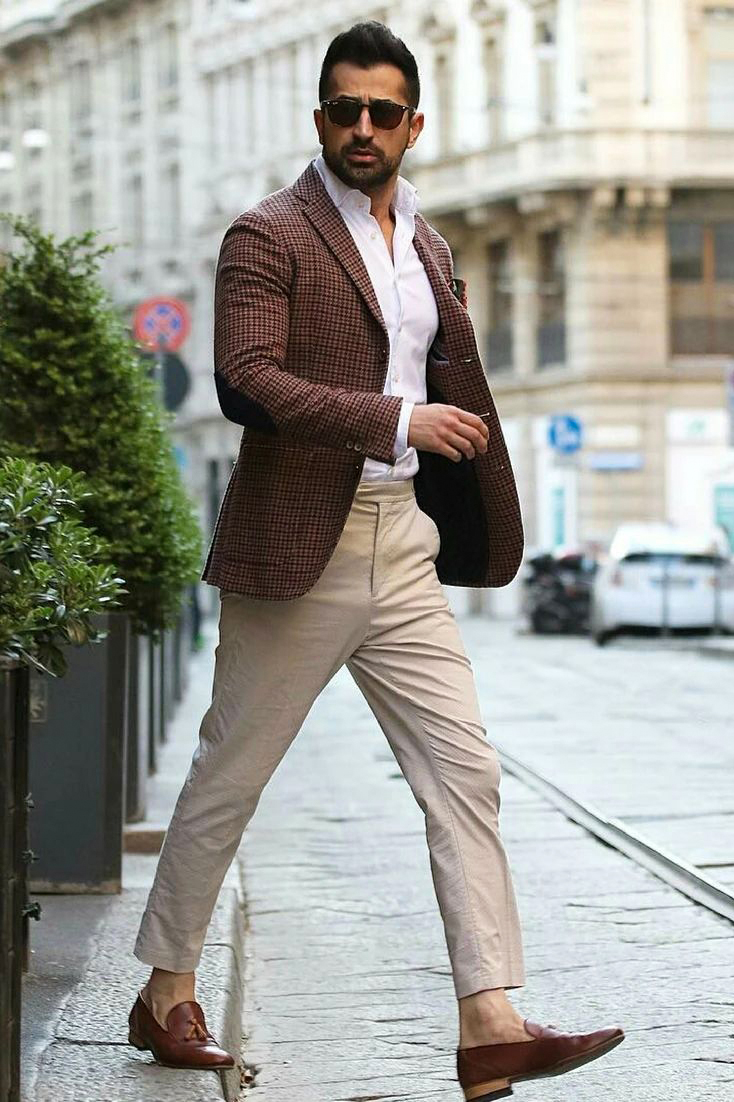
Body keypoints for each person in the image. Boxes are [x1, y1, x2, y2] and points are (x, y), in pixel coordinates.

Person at [129, 22, 624, 1100]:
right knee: (229, 776)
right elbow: (247, 379)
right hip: (300, 541)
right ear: (320, 118)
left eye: (382, 112)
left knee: (466, 773)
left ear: (412, 126)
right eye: (344, 109)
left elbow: (454, 371)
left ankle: (489, 1019)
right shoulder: (267, 235)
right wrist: (400, 418)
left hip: (401, 545)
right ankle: (166, 990)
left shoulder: (431, 245)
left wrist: (471, 487)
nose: (363, 127)